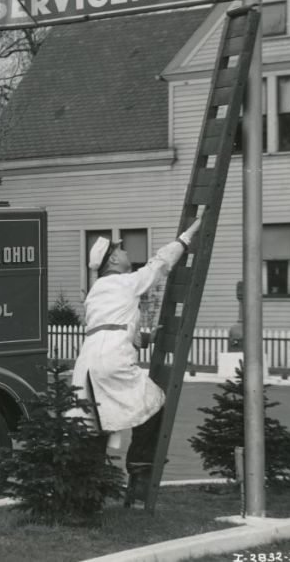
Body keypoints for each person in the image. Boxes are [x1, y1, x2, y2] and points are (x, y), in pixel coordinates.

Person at [72, 209, 204, 501]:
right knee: (154, 404)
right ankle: (141, 477)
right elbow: (160, 264)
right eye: (121, 249)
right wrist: (188, 235)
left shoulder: (97, 290)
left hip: (87, 364)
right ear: (114, 260)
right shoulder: (124, 282)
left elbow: (109, 325)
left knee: (94, 424)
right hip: (112, 359)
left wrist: (145, 337)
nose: (126, 251)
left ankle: (86, 494)